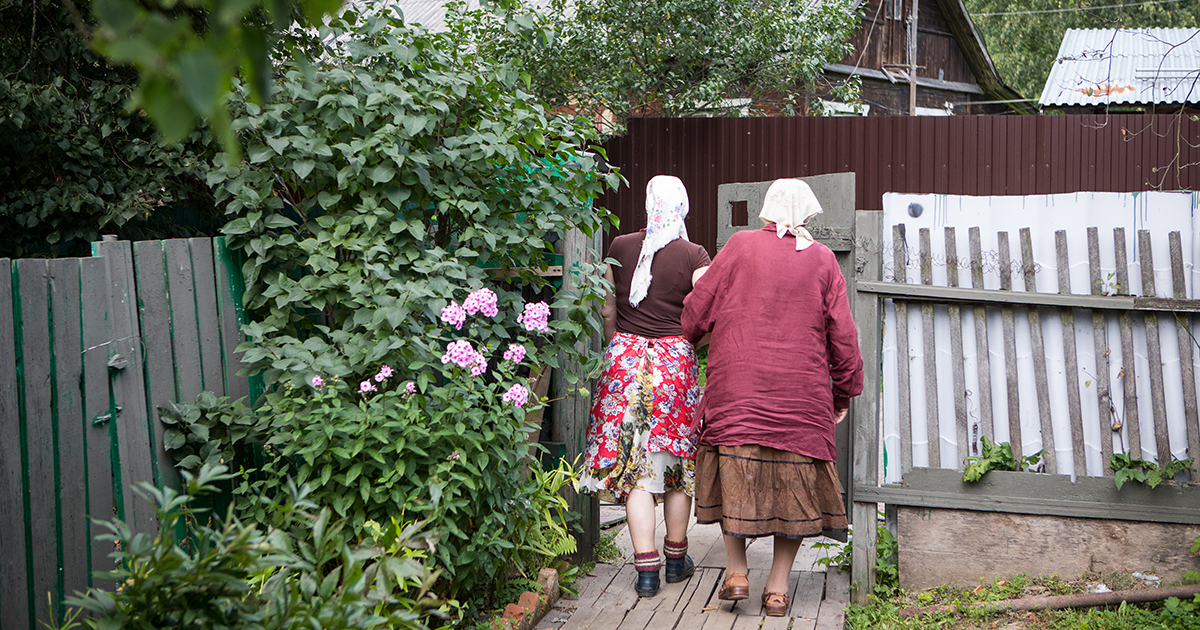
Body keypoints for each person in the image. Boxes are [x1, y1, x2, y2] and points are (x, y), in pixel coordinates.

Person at [681, 178, 863, 617]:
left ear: (766, 210)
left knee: (734, 476)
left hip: (736, 390)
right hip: (801, 398)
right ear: (806, 213)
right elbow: (844, 336)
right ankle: (778, 589)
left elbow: (694, 316)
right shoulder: (821, 259)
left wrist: (695, 298)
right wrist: (844, 391)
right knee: (796, 489)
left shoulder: (740, 246)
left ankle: (737, 574)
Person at [578, 175, 711, 598]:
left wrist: (620, 339)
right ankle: (676, 558)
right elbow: (713, 306)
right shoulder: (695, 254)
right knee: (673, 465)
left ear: (649, 203)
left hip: (624, 363)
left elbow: (607, 306)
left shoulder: (619, 246)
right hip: (673, 365)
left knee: (634, 470)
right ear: (683, 206)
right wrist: (693, 342)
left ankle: (646, 571)